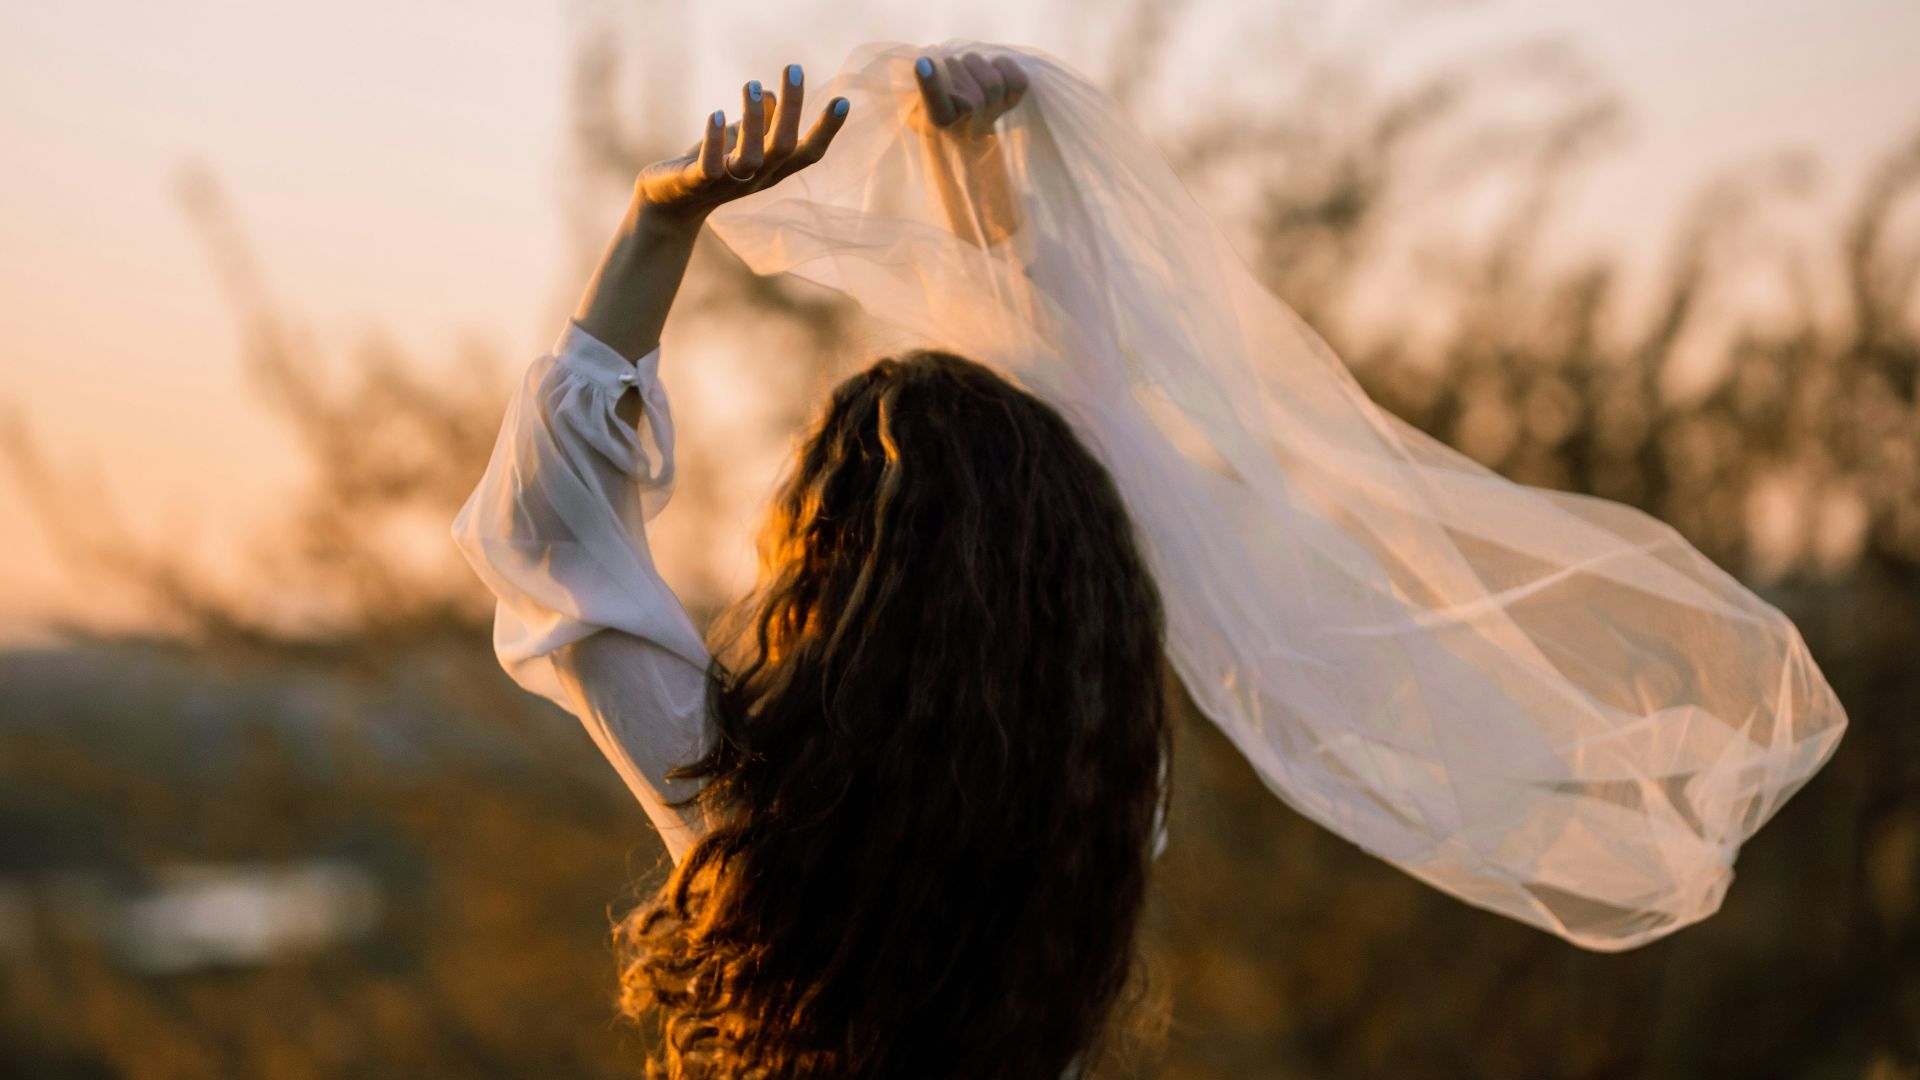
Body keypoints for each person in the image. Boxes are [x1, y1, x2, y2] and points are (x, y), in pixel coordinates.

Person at [454, 52, 1166, 1080]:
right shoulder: (1107, 792)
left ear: (827, 564)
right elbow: (1074, 453)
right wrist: (978, 178)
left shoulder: (750, 805)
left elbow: (546, 534)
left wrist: (659, 224)